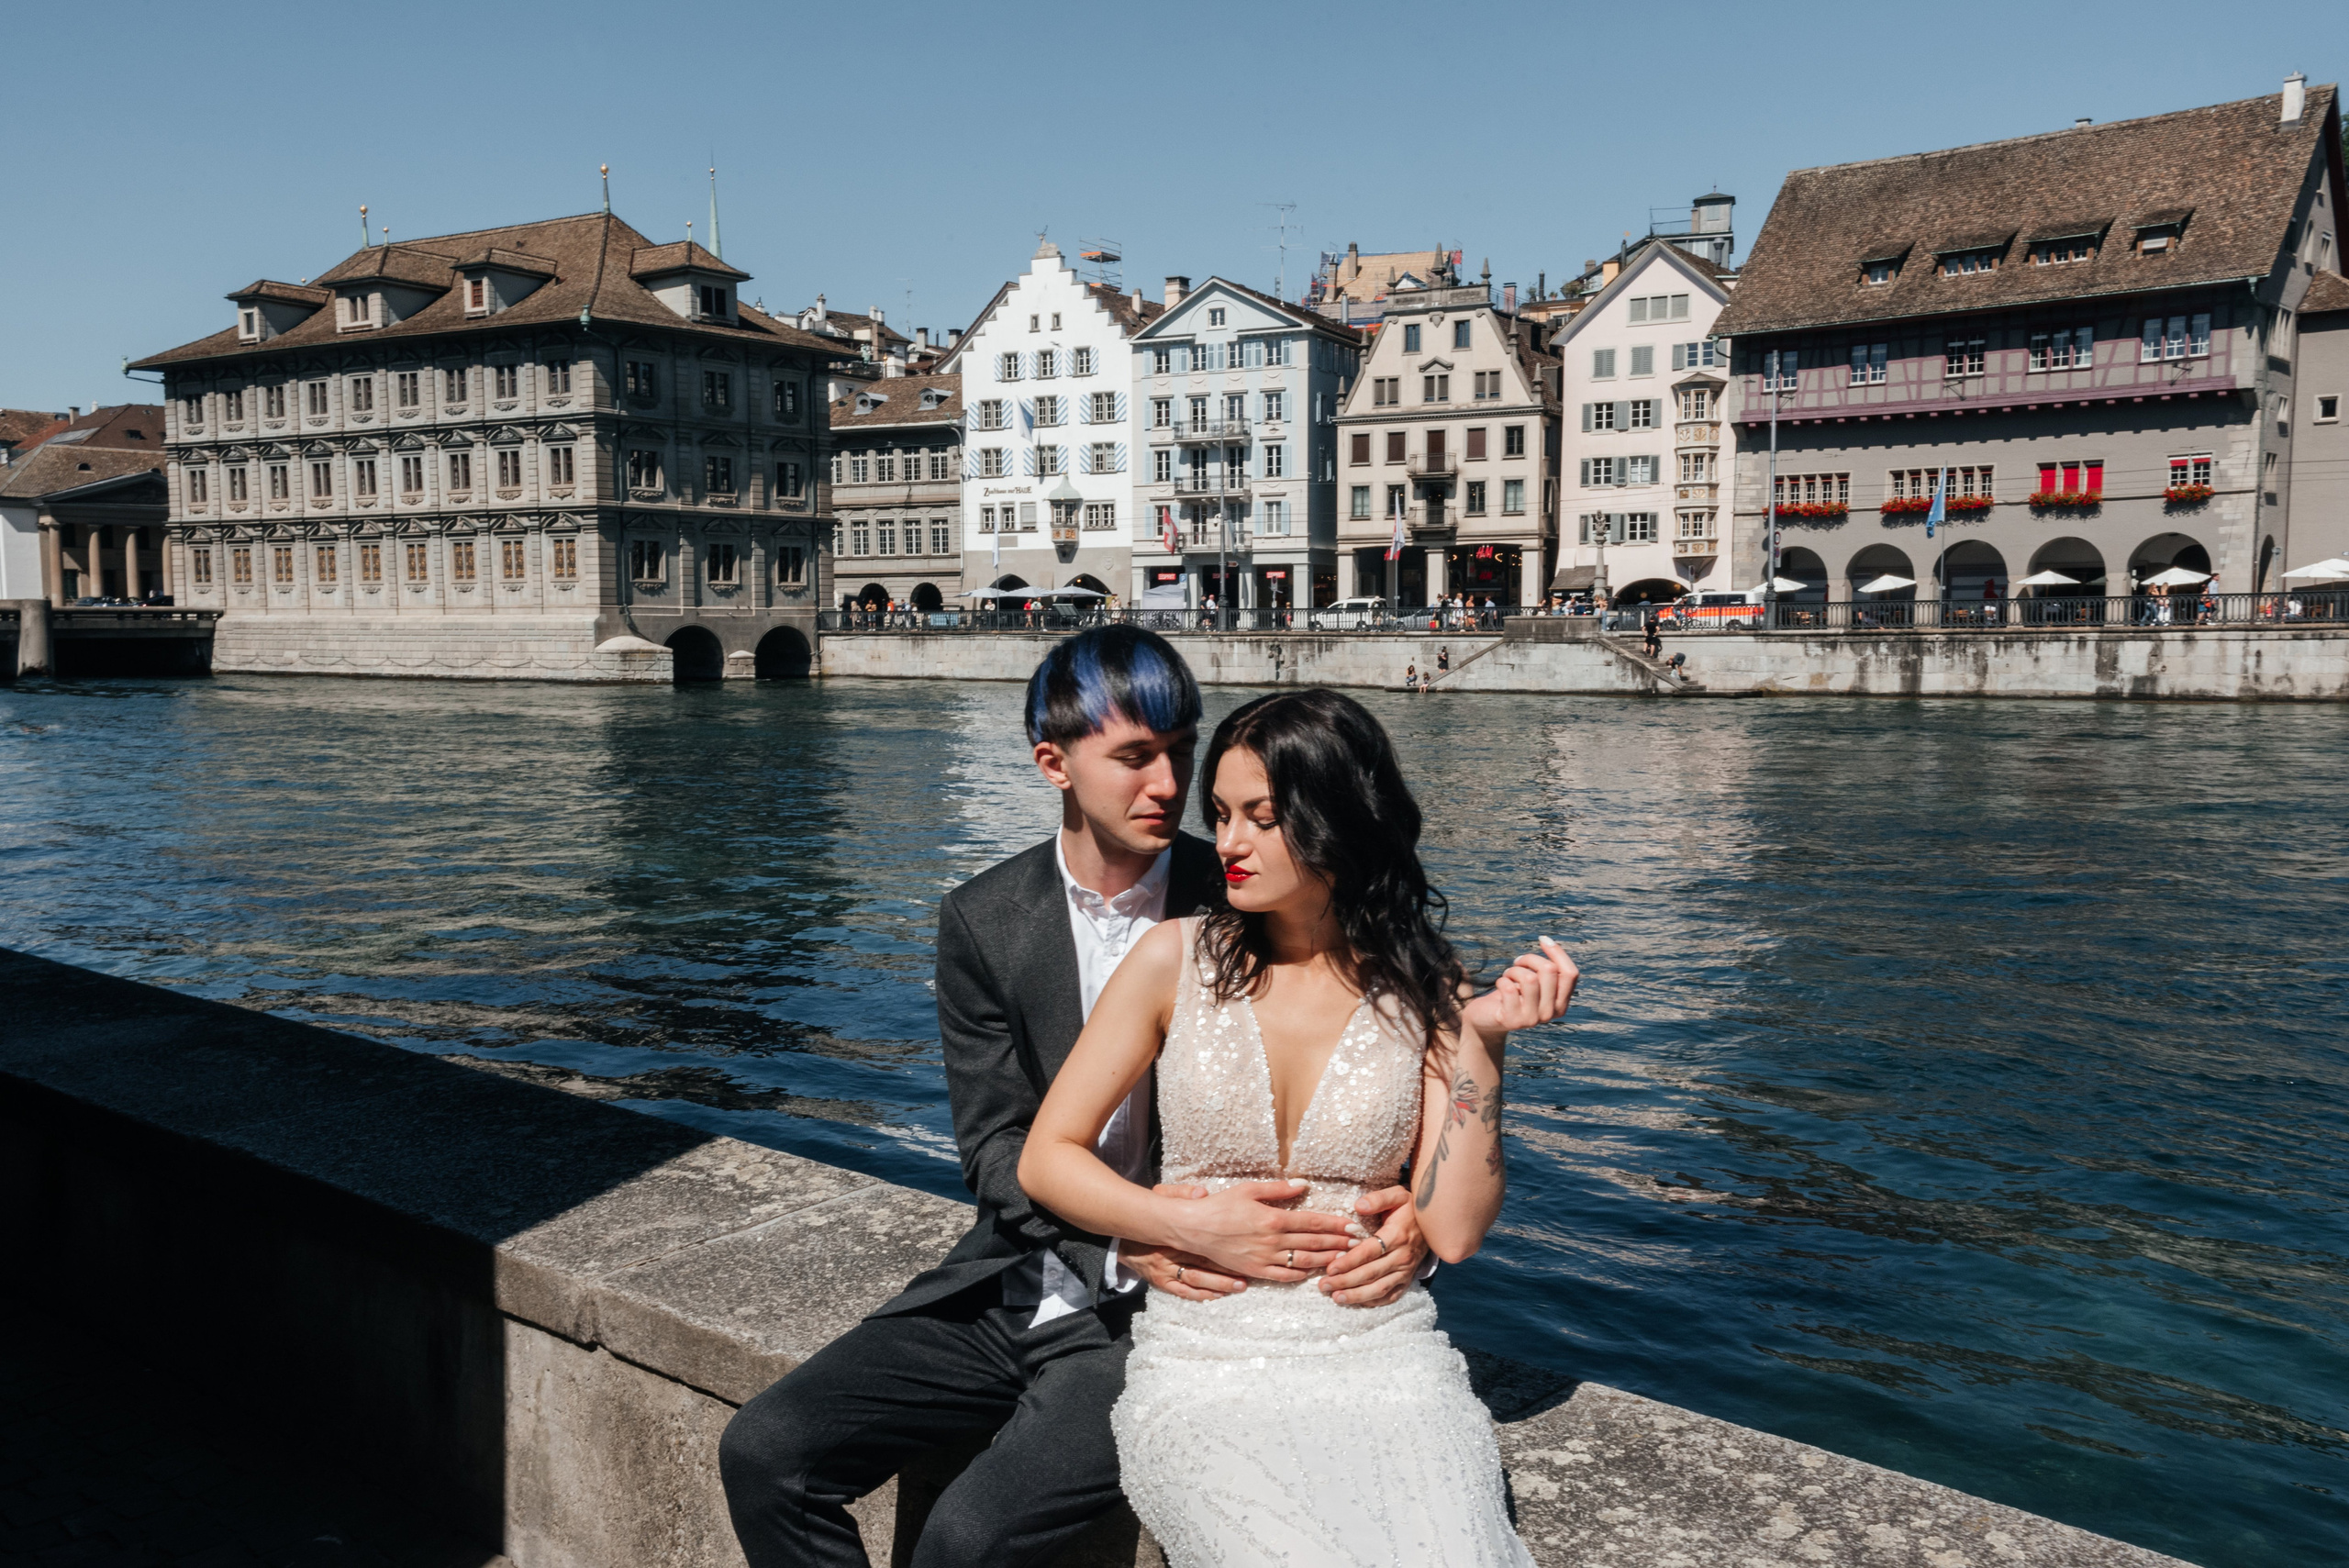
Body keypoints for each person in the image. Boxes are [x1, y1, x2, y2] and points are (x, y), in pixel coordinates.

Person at [718, 628, 1427, 1568]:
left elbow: (1379, 1055)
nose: (1170, 786)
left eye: (1180, 751)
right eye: (1135, 757)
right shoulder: (983, 916)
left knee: (967, 1542)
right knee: (766, 1451)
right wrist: (1131, 1228)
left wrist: (1412, 1212)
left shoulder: (1254, 886)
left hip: (1174, 1312)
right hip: (1023, 1273)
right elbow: (995, 1146)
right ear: (1053, 762)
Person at [1020, 690, 1578, 1568]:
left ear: (1338, 821)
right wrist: (1178, 1223)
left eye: (1261, 817)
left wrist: (1484, 1040)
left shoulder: (1430, 986)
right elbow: (1046, 1158)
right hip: (1204, 1361)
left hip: (1379, 1357)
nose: (1228, 843)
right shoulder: (1172, 957)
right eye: (1222, 814)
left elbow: (1458, 1231)